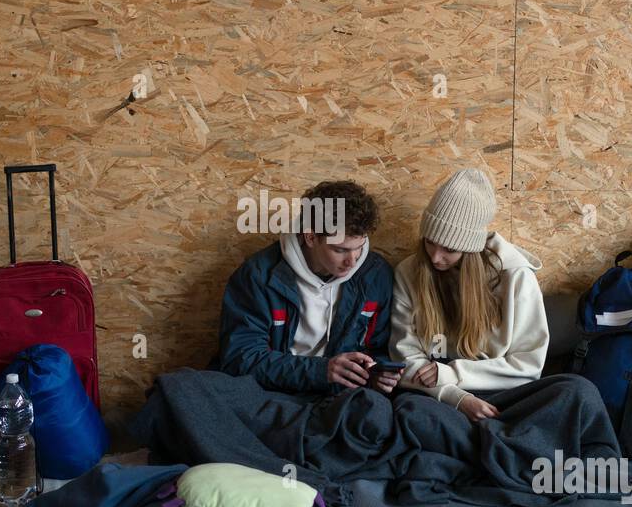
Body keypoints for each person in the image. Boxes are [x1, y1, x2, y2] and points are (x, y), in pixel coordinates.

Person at [390, 168, 556, 420]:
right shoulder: (409, 272)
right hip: (437, 395)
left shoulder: (516, 277)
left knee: (577, 390)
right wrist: (457, 397)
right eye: (429, 241)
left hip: (499, 390)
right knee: (409, 414)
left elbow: (528, 366)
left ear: (470, 249)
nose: (435, 257)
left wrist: (455, 373)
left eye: (449, 248)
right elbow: (406, 356)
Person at [218, 180, 398, 395]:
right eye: (340, 250)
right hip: (272, 392)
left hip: (341, 396)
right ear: (311, 237)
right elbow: (241, 358)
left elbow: (379, 347)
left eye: (359, 248)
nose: (353, 261)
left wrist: (378, 374)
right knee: (184, 387)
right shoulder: (258, 276)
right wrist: (321, 371)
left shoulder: (375, 274)